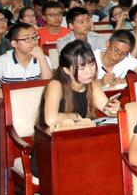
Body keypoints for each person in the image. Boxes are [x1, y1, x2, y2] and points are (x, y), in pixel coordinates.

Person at [36, 40, 119, 176]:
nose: (89, 71)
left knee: (110, 159)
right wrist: (76, 117)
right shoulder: (56, 85)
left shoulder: (91, 85)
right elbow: (51, 119)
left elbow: (109, 111)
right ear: (66, 70)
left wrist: (115, 110)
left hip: (80, 145)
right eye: (82, 68)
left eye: (91, 64)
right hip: (51, 150)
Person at [0, 22, 54, 139]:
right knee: (8, 136)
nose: (33, 42)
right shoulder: (1, 62)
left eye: (35, 37)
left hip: (33, 115)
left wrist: (41, 58)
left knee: (53, 133)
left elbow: (50, 89)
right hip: (1, 117)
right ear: (14, 43)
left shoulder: (43, 59)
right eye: (27, 39)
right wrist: (20, 95)